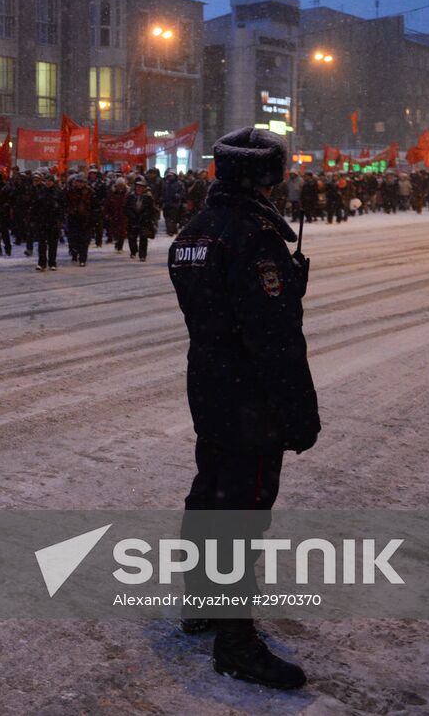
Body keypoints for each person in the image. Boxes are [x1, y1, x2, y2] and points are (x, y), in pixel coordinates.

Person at [167, 126, 319, 690]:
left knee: (211, 493)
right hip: (250, 392)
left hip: (208, 381)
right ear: (265, 177)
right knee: (243, 511)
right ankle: (235, 641)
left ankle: (201, 601)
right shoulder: (253, 237)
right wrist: (300, 409)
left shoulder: (195, 231)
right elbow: (273, 337)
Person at [124, 177, 157, 261]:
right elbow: (126, 208)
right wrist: (131, 215)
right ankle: (134, 251)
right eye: (138, 187)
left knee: (143, 238)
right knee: (132, 237)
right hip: (133, 220)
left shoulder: (148, 197)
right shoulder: (131, 196)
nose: (139, 189)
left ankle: (142, 255)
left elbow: (151, 209)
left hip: (144, 220)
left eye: (141, 187)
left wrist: (146, 216)